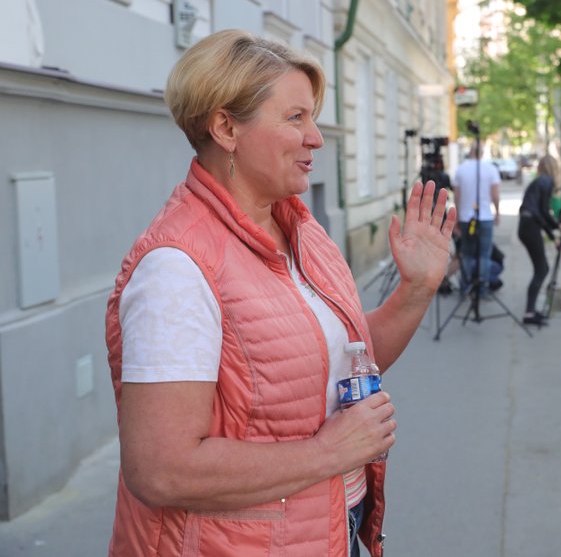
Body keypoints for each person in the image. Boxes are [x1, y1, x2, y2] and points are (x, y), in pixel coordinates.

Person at [104, 29, 456, 557]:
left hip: (328, 528)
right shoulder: (176, 269)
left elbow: (344, 365)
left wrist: (417, 288)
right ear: (225, 127)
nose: (316, 137)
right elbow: (161, 469)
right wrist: (326, 453)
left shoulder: (300, 232)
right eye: (296, 118)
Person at [517, 155, 561, 326]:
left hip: (527, 225)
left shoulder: (539, 181)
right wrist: (556, 229)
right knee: (541, 269)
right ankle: (529, 313)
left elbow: (540, 213)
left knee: (541, 268)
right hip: (530, 226)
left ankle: (530, 311)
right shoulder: (546, 182)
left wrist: (553, 233)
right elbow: (543, 212)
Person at [453, 145, 501, 296]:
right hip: (485, 217)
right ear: (482, 153)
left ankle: (465, 286)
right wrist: (497, 212)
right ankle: (482, 289)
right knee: (484, 255)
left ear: (470, 152)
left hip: (466, 218)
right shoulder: (490, 169)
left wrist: (457, 217)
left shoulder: (461, 169)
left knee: (466, 253)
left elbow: (457, 196)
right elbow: (495, 194)